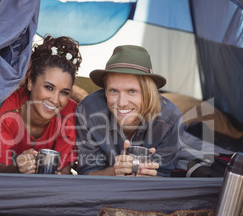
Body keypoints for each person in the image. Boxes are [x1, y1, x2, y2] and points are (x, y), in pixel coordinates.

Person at [76, 45, 183, 177]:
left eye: (132, 91)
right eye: (113, 91)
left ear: (148, 92)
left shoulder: (170, 118)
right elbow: (86, 173)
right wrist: (114, 172)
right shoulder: (88, 111)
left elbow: (167, 175)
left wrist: (150, 176)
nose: (121, 103)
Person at [0, 35, 82, 174]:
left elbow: (64, 170)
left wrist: (58, 177)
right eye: (49, 87)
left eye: (65, 92)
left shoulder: (70, 114)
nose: (55, 100)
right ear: (30, 82)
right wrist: (17, 167)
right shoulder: (7, 108)